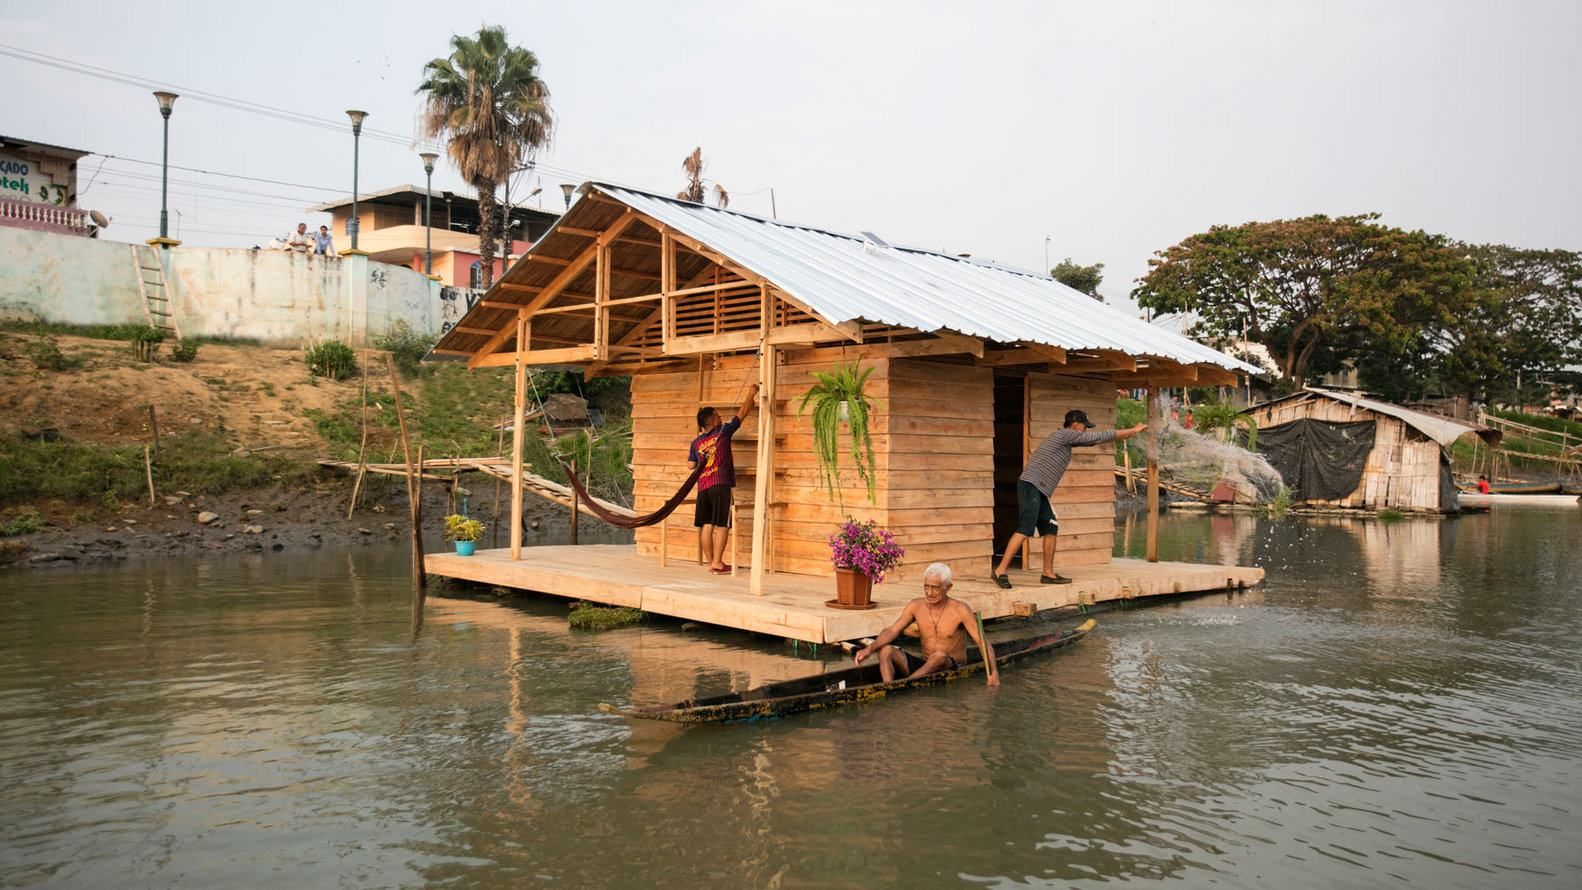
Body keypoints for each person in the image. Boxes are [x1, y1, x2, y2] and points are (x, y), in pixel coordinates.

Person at [993, 409, 1146, 588]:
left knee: (1051, 527)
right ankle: (1000, 570)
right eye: (1084, 427)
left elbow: (1097, 440)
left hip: (1040, 489)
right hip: (1031, 484)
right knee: (1025, 528)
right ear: (1075, 425)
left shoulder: (1067, 440)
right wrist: (1133, 430)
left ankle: (1048, 574)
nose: (1085, 431)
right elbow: (1097, 438)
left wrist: (1124, 436)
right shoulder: (1065, 435)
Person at [854, 563, 999, 686]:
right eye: (926, 586)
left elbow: (982, 642)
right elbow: (893, 630)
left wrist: (994, 673)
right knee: (886, 650)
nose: (929, 592)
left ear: (948, 587)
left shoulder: (960, 609)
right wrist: (868, 650)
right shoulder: (916, 605)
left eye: (935, 588)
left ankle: (905, 685)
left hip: (951, 665)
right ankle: (889, 688)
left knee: (939, 656)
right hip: (924, 664)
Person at [689, 382, 760, 574]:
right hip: (720, 484)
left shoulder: (696, 442)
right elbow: (743, 412)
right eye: (718, 416)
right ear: (712, 421)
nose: (721, 418)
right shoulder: (723, 432)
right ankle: (718, 563)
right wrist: (751, 393)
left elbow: (690, 465)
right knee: (722, 524)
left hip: (703, 486)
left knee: (707, 524)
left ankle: (711, 562)